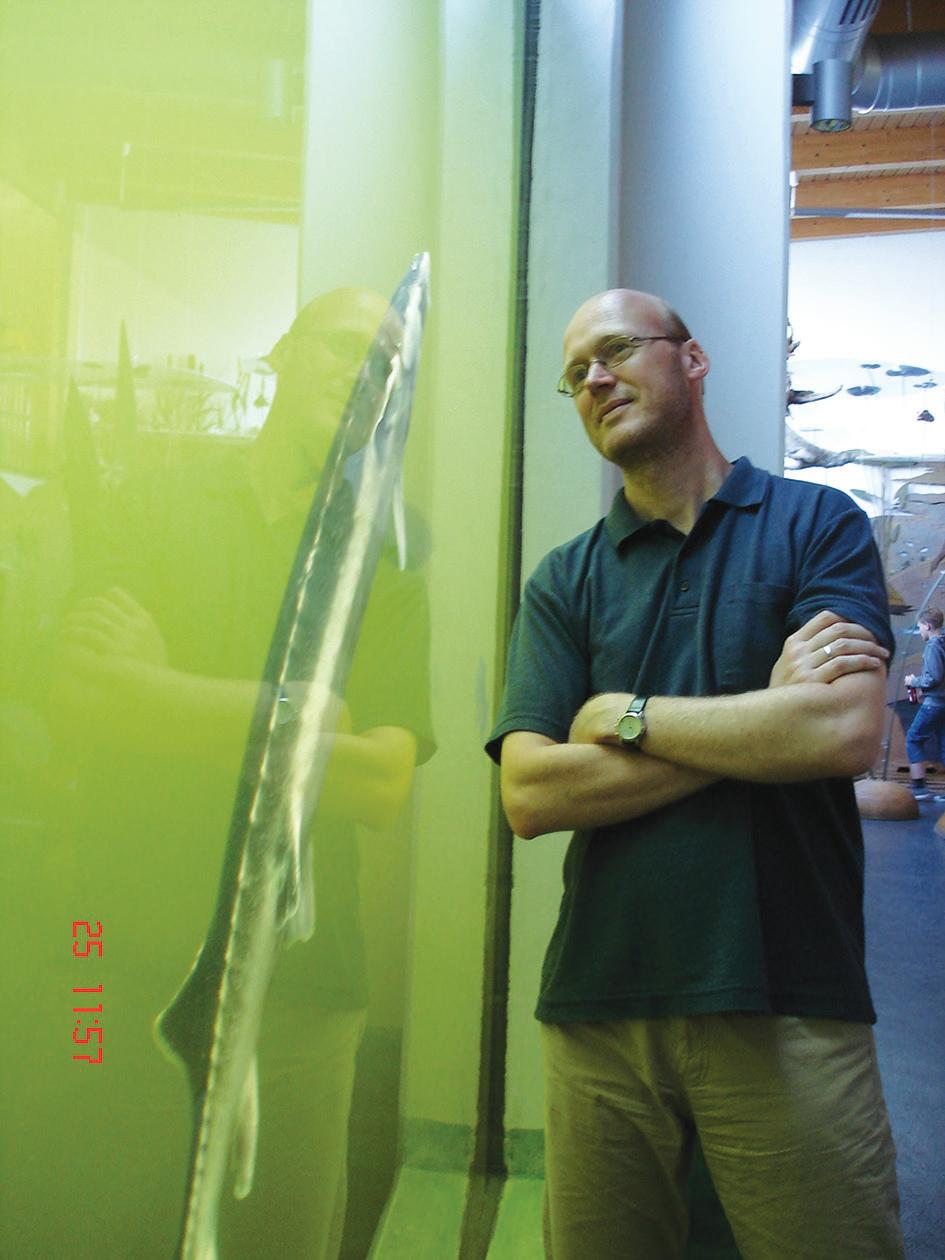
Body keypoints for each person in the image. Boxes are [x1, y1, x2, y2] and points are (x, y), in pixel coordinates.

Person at [486, 289, 905, 1259]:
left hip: (787, 994)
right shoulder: (565, 580)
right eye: (574, 373)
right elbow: (531, 794)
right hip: (598, 1007)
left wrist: (622, 718)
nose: (594, 379)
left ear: (692, 358)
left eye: (616, 349)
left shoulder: (816, 524)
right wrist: (760, 725)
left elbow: (842, 730)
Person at [46, 288, 434, 1259]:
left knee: (279, 1238)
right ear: (281, 354)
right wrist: (297, 716)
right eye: (343, 345)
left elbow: (381, 783)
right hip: (111, 954)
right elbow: (85, 700)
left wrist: (158, 698)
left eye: (387, 365)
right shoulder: (150, 506)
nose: (364, 373)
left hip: (303, 985)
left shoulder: (385, 560)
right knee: (94, 1222)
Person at [904, 606, 945, 801]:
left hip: (934, 705)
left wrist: (914, 681)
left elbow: (933, 677)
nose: (919, 631)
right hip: (942, 703)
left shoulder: (932, 646)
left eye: (919, 626)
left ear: (927, 626)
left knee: (913, 739)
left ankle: (919, 788)